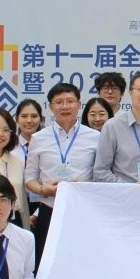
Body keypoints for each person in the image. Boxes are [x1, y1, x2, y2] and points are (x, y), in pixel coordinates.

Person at [25, 83, 100, 267]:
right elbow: (29, 178)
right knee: (48, 263)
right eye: (59, 102)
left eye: (70, 101)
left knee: (82, 263)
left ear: (79, 104)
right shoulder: (38, 138)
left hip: (82, 210)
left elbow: (100, 175)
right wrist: (44, 190)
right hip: (49, 210)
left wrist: (82, 186)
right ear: (51, 107)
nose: (65, 106)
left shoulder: (95, 137)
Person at [14, 99, 44, 234]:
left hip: (44, 202)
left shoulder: (49, 145)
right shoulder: (9, 147)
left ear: (41, 119)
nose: (29, 120)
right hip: (18, 205)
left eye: (34, 116)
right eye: (24, 116)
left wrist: (37, 213)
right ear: (16, 119)